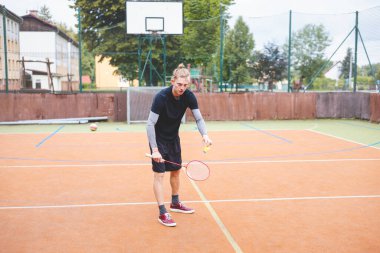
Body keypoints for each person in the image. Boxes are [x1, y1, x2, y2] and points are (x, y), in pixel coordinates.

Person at [146, 63, 212, 227]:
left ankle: (175, 203)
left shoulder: (189, 96)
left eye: (185, 85)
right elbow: (150, 124)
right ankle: (163, 212)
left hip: (173, 138)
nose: (182, 88)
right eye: (179, 84)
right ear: (172, 81)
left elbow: (199, 118)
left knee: (176, 171)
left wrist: (205, 135)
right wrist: (155, 150)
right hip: (158, 139)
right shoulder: (161, 97)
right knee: (159, 175)